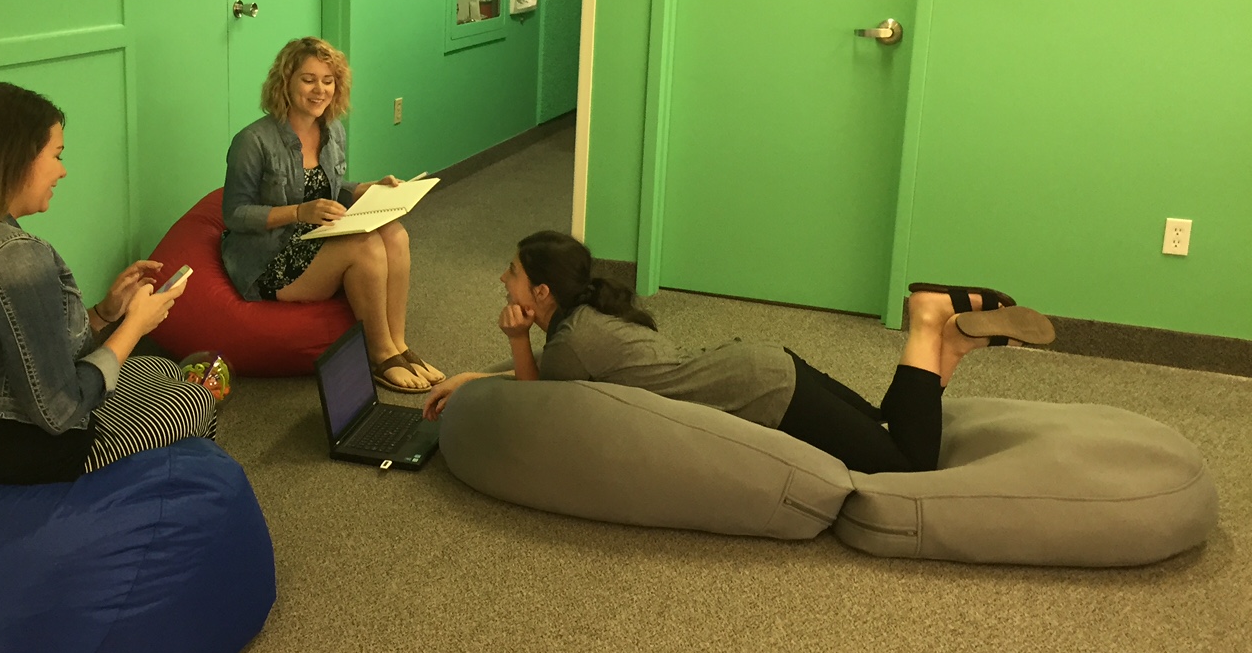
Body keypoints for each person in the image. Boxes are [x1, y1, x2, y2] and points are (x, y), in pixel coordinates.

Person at [421, 230, 1056, 473]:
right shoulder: (587, 320)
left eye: (510, 272)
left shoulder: (570, 347)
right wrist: (477, 372)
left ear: (540, 292)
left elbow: (535, 400)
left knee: (906, 467)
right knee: (889, 428)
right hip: (762, 365)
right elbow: (542, 373)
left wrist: (512, 342)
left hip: (763, 396)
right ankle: (950, 345)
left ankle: (926, 321)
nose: (501, 279)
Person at [0, 83, 217, 485]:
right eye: (56, 155)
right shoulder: (13, 256)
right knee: (194, 398)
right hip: (13, 452)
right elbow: (61, 411)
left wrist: (106, 313)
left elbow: (24, 347)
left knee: (157, 366)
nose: (62, 171)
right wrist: (136, 325)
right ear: (13, 160)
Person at [221, 36, 443, 393]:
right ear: (285, 82)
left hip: (315, 236)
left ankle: (398, 345)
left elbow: (327, 187)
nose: (319, 90)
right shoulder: (253, 141)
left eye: (328, 81)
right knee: (365, 246)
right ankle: (380, 354)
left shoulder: (332, 130)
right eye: (308, 79)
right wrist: (299, 212)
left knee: (395, 233)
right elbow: (234, 214)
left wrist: (367, 188)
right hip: (270, 255)